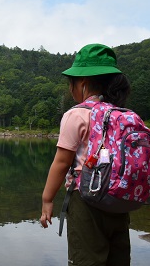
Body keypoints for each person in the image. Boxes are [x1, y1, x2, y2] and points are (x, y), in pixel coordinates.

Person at [40, 43, 132, 265]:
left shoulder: (78, 114)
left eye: (70, 83)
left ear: (82, 83)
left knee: (86, 260)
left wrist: (47, 199)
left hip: (87, 200)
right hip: (119, 200)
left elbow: (62, 163)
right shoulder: (122, 114)